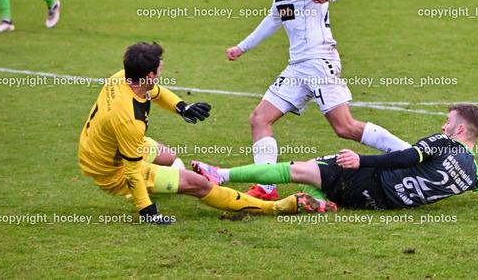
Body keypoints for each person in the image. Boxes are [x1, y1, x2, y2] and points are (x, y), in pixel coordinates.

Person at [226, 0, 411, 200]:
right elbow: (275, 17)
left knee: (345, 128)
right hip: (298, 65)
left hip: (318, 62)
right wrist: (242, 47)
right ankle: (266, 187)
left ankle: (411, 155)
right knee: (259, 118)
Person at [78, 41, 326, 224]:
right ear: (149, 74)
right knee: (196, 182)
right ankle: (273, 208)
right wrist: (148, 212)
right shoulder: (129, 121)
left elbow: (156, 92)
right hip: (112, 168)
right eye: (160, 68)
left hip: (97, 146)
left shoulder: (124, 78)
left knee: (168, 156)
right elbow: (131, 170)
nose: (162, 71)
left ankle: (160, 183)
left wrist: (182, 107)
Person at [193, 104, 478, 211]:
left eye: (448, 121)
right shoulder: (473, 176)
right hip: (377, 204)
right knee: (320, 172)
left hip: (366, 180)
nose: (444, 124)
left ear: (460, 130)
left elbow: (404, 157)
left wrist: (362, 160)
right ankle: (319, 200)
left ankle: (220, 173)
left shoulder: (443, 143)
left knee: (297, 169)